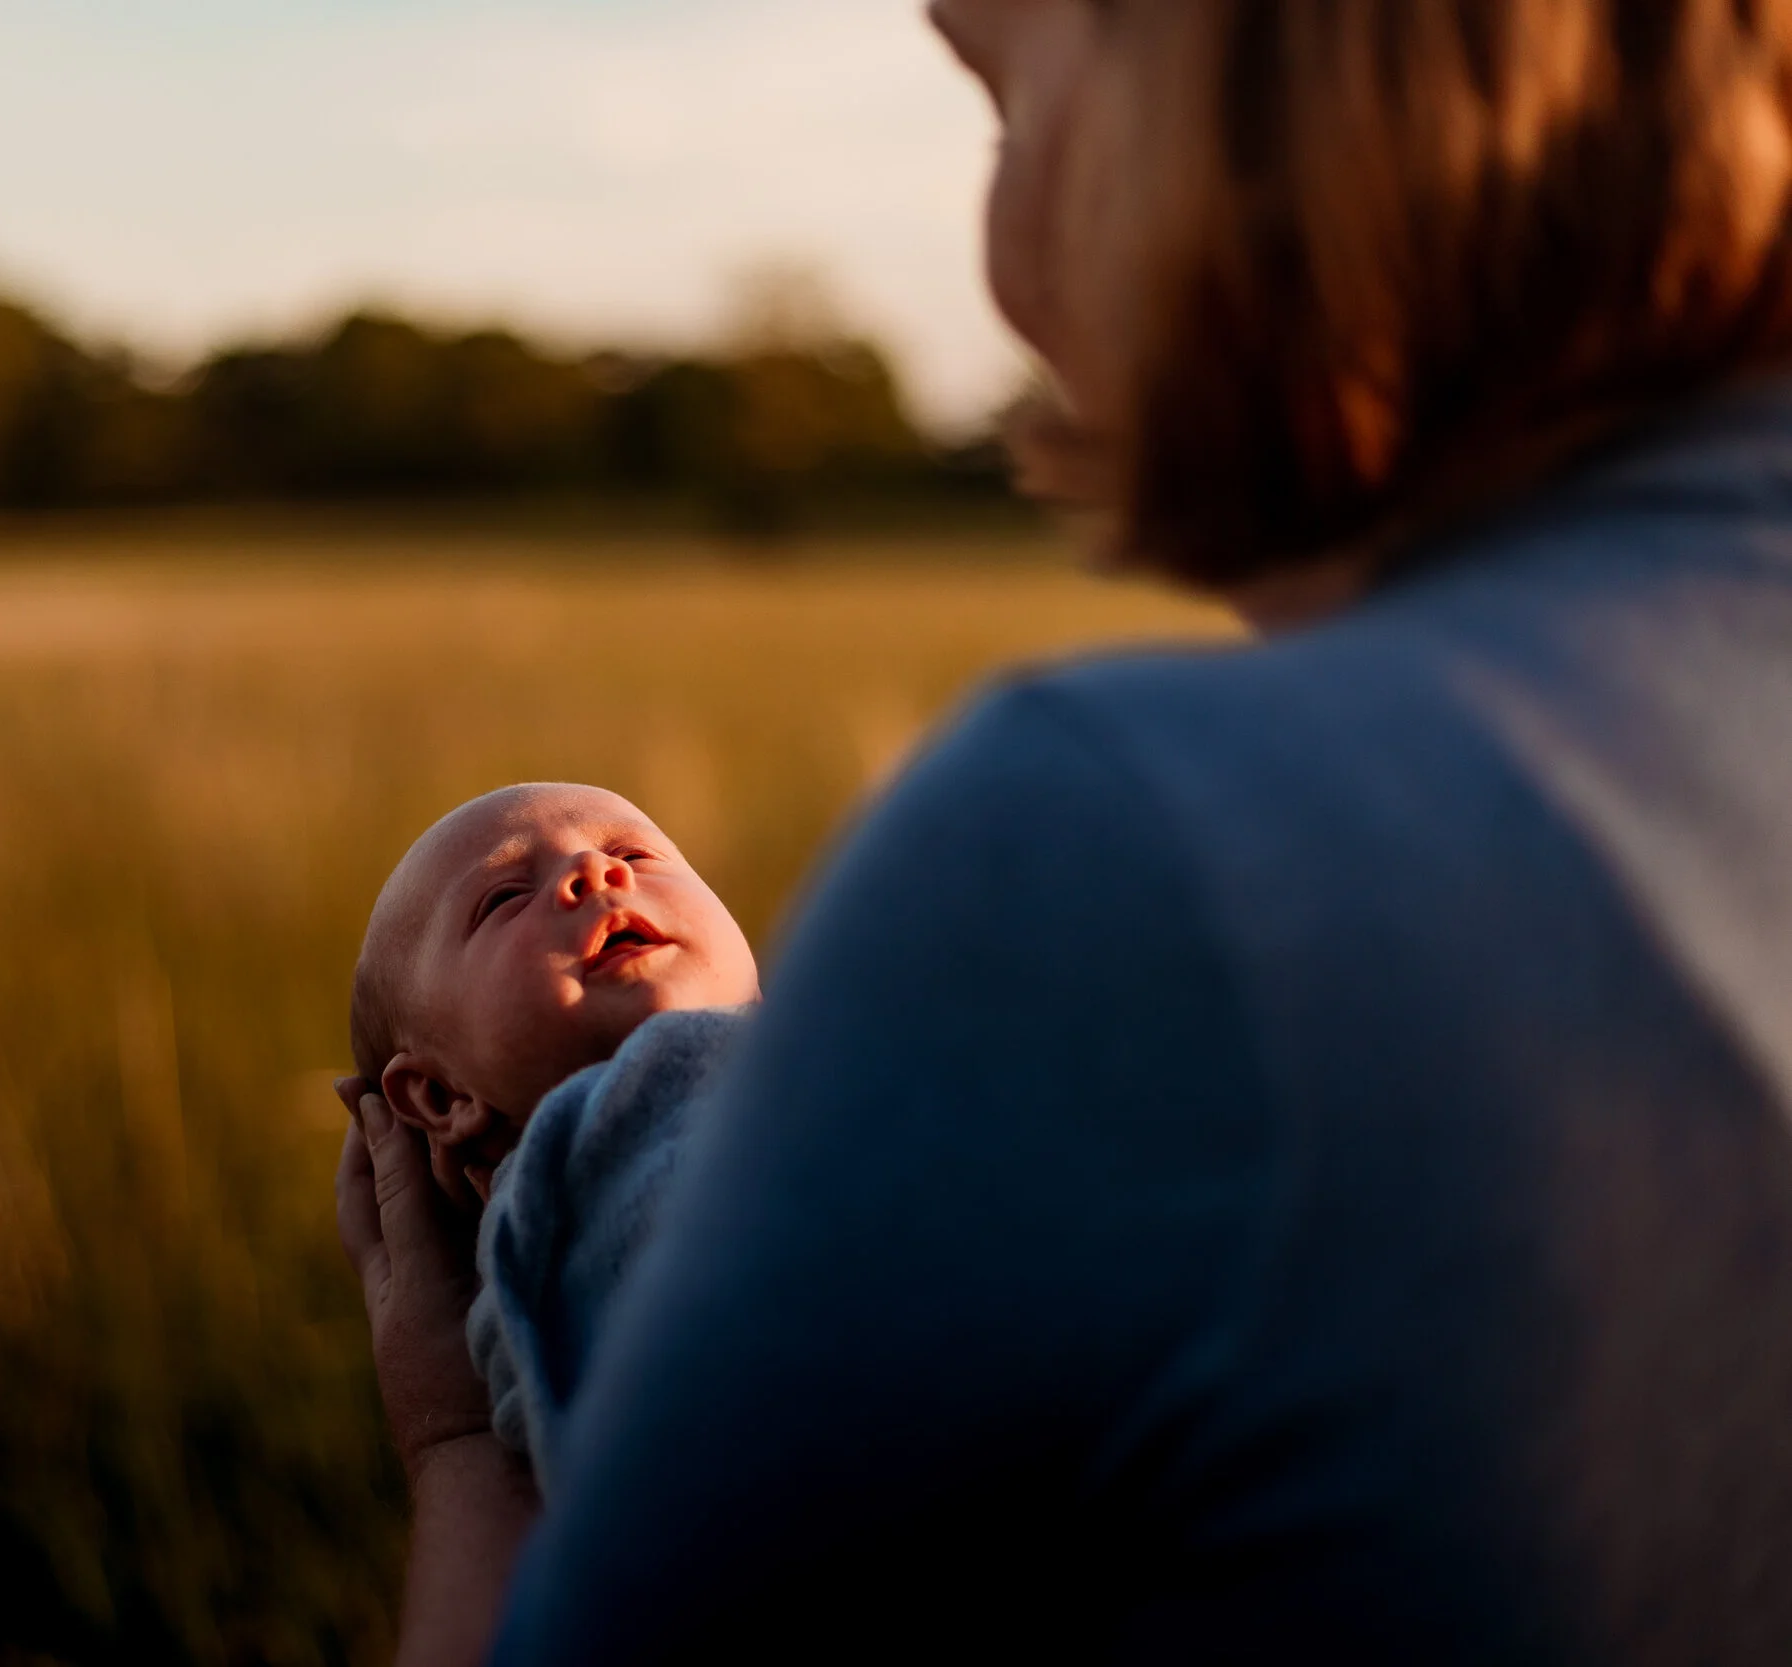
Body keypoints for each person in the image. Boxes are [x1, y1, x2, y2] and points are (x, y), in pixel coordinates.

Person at [337, 0, 1792, 1662]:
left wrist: (456, 1450)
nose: (1002, 260)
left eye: (999, 97)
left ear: (1216, 87)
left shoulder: (1128, 856)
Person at [348, 784, 758, 1495]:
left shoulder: (819, 1040)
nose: (597, 874)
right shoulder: (555, 1212)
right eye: (504, 898)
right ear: (442, 1096)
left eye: (632, 851)